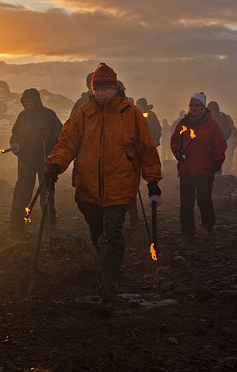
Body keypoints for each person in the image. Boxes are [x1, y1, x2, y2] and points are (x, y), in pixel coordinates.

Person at [45, 63, 162, 313]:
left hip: (120, 187)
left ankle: (108, 288)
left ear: (115, 88)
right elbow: (67, 142)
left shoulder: (130, 114)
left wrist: (152, 180)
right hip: (87, 188)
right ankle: (110, 269)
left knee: (111, 235)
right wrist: (56, 164)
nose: (101, 94)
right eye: (97, 89)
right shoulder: (84, 113)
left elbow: (146, 148)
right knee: (97, 234)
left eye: (106, 89)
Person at [170, 92, 226, 238]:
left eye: (197, 105)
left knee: (204, 201)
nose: (194, 108)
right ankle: (188, 230)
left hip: (205, 170)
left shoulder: (211, 125)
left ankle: (208, 226)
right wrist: (177, 152)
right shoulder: (183, 124)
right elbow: (174, 140)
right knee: (186, 203)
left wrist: (217, 161)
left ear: (203, 107)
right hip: (186, 170)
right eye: (192, 105)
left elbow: (220, 144)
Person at [9, 88, 63, 233]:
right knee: (22, 190)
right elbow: (15, 134)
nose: (28, 104)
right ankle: (17, 222)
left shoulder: (49, 115)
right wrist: (15, 144)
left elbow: (61, 134)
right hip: (26, 159)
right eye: (26, 102)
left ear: (37, 101)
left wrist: (48, 135)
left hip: (45, 158)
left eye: (31, 101)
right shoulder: (22, 116)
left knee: (46, 191)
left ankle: (49, 222)